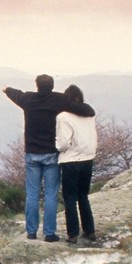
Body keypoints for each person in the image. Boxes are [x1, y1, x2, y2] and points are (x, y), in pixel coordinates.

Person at [3, 75, 95, 242]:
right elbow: (87, 110)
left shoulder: (28, 99)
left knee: (32, 194)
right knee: (51, 195)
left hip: (32, 153)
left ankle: (31, 232)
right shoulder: (59, 100)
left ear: (36, 85)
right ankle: (49, 233)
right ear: (52, 86)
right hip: (52, 153)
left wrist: (6, 89)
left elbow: (16, 94)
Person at [56, 84, 98, 244]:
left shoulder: (63, 117)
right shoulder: (89, 114)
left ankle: (72, 234)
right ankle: (90, 231)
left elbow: (64, 142)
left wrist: (57, 147)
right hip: (88, 158)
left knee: (70, 198)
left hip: (71, 160)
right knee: (83, 196)